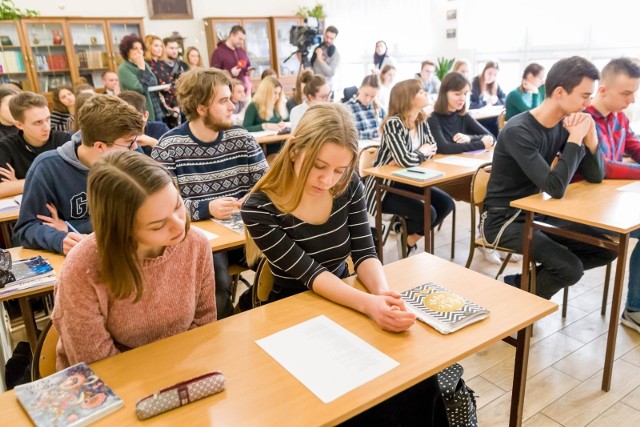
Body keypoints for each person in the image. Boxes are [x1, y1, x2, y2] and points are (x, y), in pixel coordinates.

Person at [241, 103, 449, 425]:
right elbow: (311, 275)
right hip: (294, 311)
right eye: (319, 166)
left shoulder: (348, 184)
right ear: (294, 150)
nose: (327, 180)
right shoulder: (259, 208)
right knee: (355, 403)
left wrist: (382, 294)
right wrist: (368, 304)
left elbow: (366, 252)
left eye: (339, 170)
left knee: (417, 379)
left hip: (347, 297)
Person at [52, 150, 216, 369]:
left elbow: (205, 326)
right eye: (157, 224)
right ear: (122, 229)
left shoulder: (196, 243)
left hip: (182, 369)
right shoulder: (82, 268)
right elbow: (97, 363)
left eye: (177, 206)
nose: (179, 225)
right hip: (112, 386)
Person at [482, 56, 617, 299]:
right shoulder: (518, 130)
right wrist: (575, 138)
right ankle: (520, 301)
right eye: (585, 95)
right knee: (570, 268)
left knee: (606, 250)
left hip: (536, 212)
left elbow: (596, 176)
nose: (588, 104)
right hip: (504, 220)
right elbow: (554, 187)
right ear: (559, 92)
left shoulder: (562, 124)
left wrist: (591, 136)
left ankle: (521, 285)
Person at [151, 68, 268, 319]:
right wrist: (207, 208)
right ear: (201, 108)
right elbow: (161, 207)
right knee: (216, 284)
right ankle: (222, 341)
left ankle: (252, 313)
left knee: (282, 266)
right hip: (204, 240)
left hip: (245, 232)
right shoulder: (168, 147)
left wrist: (255, 197)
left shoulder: (242, 138)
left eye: (230, 98)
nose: (233, 106)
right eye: (224, 101)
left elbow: (268, 185)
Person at [13, 95, 147, 255]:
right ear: (100, 146)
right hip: (78, 258)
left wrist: (70, 226)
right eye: (129, 143)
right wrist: (59, 239)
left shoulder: (132, 156)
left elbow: (144, 212)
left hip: (128, 249)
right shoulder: (47, 167)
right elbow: (25, 229)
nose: (135, 147)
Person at [363, 79, 455, 254]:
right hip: (384, 188)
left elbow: (433, 149)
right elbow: (406, 159)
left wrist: (413, 156)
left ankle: (408, 236)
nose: (426, 93)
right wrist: (421, 152)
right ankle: (403, 232)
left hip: (411, 180)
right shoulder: (393, 124)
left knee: (446, 204)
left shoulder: (421, 120)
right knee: (429, 213)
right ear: (408, 98)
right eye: (421, 92)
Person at [585, 57, 640, 331]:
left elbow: (634, 146)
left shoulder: (618, 118)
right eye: (626, 93)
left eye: (634, 94)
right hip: (586, 207)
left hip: (613, 201)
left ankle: (635, 307)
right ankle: (635, 308)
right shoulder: (582, 118)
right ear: (603, 90)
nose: (631, 101)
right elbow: (604, 166)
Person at [0, 92, 70, 198]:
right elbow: (2, 189)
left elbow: (74, 179)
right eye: (38, 122)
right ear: (19, 125)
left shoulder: (64, 140)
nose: (46, 127)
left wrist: (19, 183)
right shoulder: (5, 147)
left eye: (48, 119)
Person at [428, 71, 494, 154]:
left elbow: (491, 137)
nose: (463, 98)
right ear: (444, 94)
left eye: (465, 94)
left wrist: (470, 138)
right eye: (457, 94)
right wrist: (480, 144)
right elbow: (444, 148)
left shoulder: (463, 115)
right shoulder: (433, 118)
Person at [118, 34, 164, 122]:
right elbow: (140, 89)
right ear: (127, 51)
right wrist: (142, 69)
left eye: (141, 48)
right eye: (135, 48)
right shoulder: (124, 68)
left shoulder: (143, 64)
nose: (139, 51)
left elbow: (153, 82)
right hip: (141, 111)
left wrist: (142, 67)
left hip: (155, 108)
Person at [118, 90, 170, 154]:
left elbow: (175, 156)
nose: (131, 125)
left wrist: (153, 142)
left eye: (136, 120)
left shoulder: (160, 129)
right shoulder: (115, 136)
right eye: (125, 120)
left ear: (146, 116)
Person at [145, 34, 180, 128]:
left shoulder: (161, 63)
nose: (160, 48)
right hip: (160, 105)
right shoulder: (146, 65)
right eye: (156, 46)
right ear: (148, 47)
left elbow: (171, 82)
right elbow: (147, 84)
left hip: (173, 101)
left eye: (161, 46)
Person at [210, 25, 252, 96]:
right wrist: (230, 73)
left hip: (244, 92)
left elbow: (247, 65)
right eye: (240, 39)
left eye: (243, 40)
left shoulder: (242, 51)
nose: (242, 42)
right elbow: (214, 74)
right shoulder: (218, 53)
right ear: (232, 35)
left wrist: (248, 70)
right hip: (229, 93)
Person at [470, 61, 506, 137]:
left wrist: (496, 101)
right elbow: (469, 104)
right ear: (484, 71)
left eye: (495, 75)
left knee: (498, 128)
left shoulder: (495, 85)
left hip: (492, 118)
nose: (491, 77)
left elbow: (504, 99)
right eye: (489, 73)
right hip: (478, 120)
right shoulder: (474, 83)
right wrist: (485, 103)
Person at [344, 75, 385, 140]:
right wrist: (376, 133)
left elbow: (386, 128)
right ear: (359, 89)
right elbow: (349, 134)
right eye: (366, 95)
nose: (368, 99)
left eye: (372, 96)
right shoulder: (347, 108)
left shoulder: (379, 107)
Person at [310, 26, 340, 91]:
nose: (328, 40)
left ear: (335, 39)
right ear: (324, 35)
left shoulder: (336, 54)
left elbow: (331, 73)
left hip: (326, 89)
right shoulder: (318, 48)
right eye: (327, 37)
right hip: (314, 85)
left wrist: (320, 60)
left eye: (331, 38)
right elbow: (312, 66)